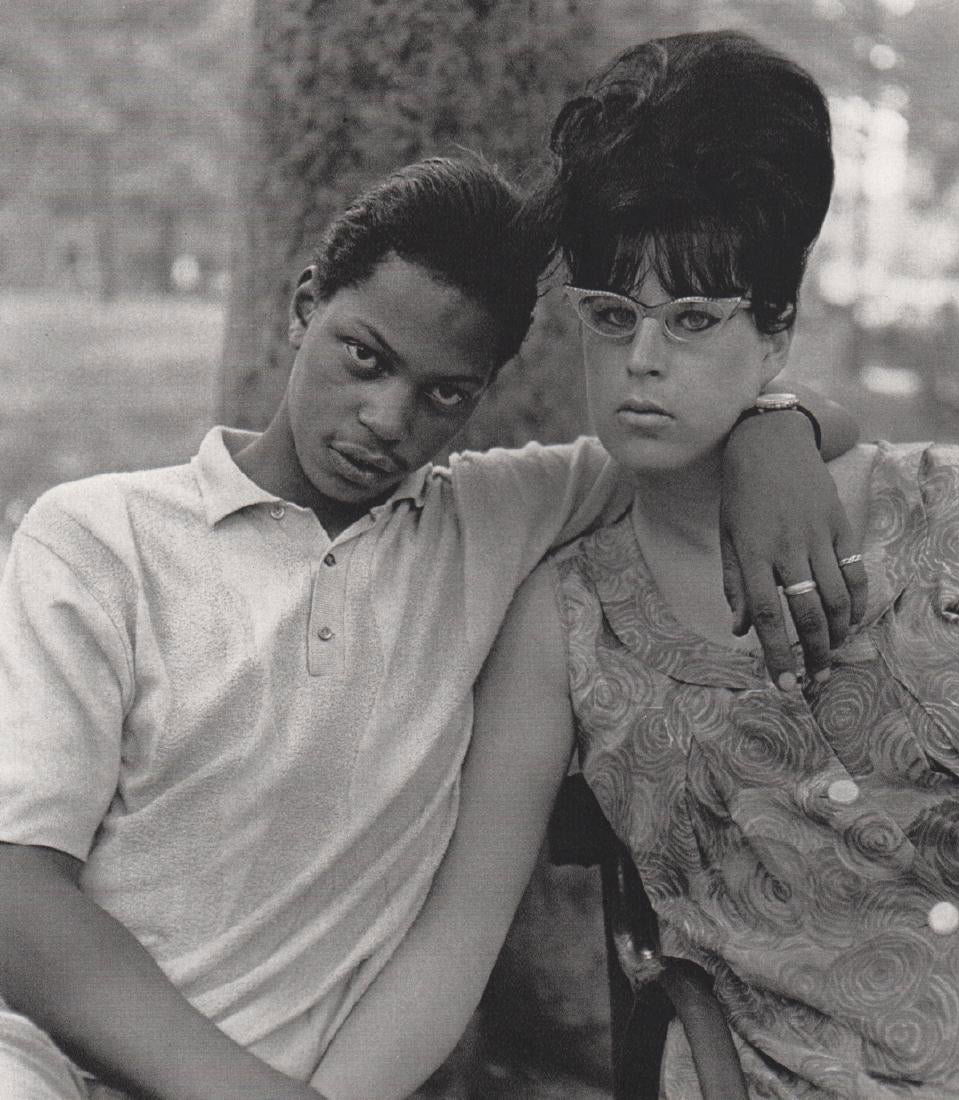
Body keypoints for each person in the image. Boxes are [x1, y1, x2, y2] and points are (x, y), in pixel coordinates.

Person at [0, 155, 861, 1099]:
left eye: (445, 394)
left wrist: (778, 425)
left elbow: (709, 424)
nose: (385, 418)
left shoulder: (490, 518)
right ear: (303, 307)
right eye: (364, 356)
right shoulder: (99, 537)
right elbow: (18, 890)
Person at [322, 31, 959, 1100]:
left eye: (693, 318)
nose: (644, 362)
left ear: (776, 333)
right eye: (613, 317)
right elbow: (452, 947)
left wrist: (781, 425)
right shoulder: (568, 617)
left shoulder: (956, 509)